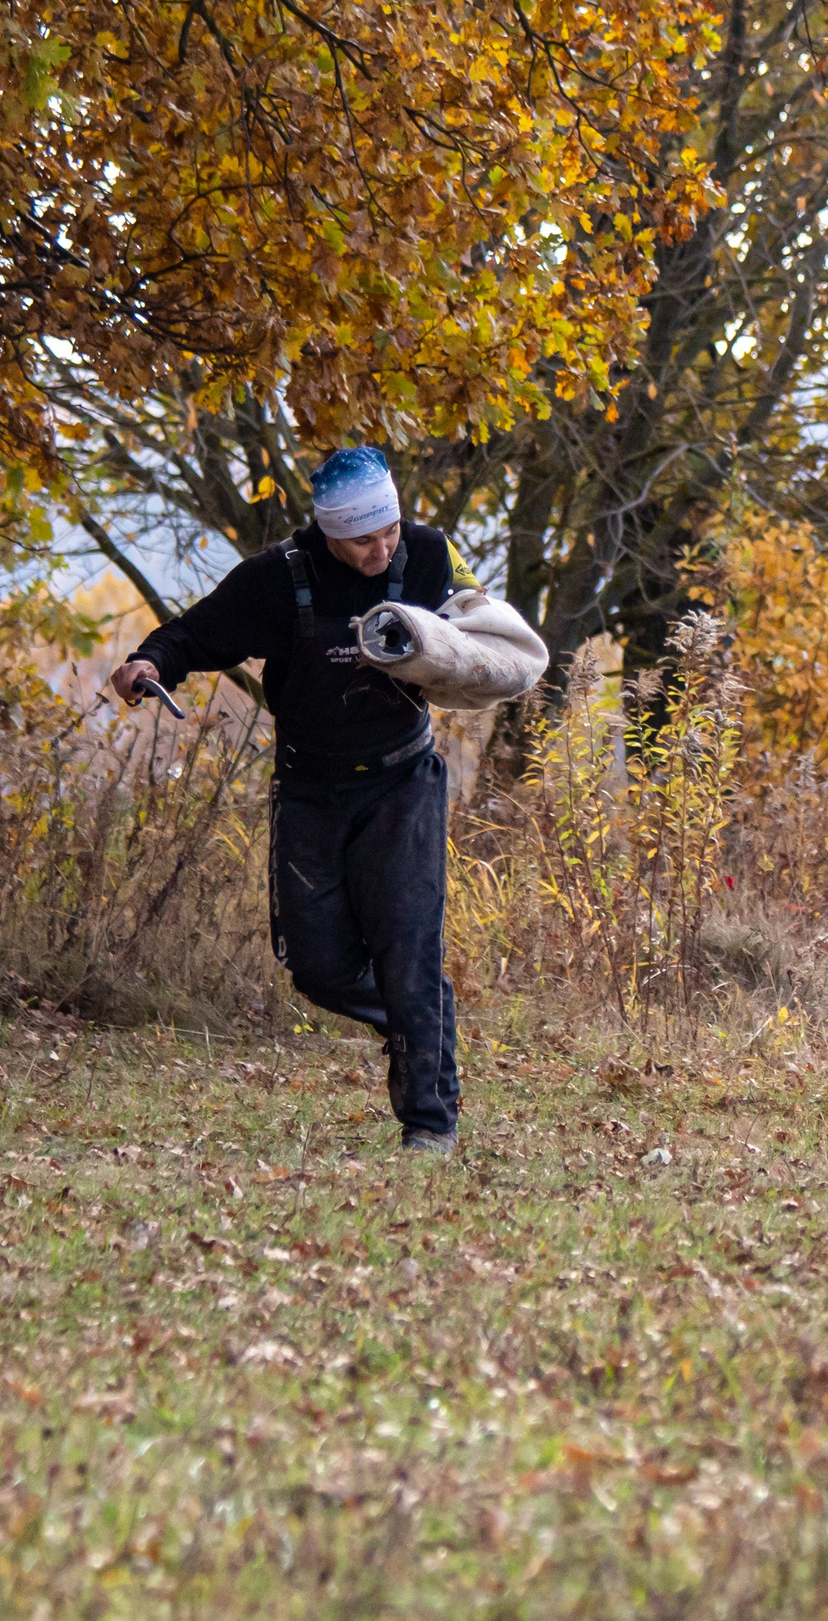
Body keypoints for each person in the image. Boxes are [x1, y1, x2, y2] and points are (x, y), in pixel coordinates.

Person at [110, 446, 493, 1155]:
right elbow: (195, 632)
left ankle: (429, 1123)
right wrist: (150, 661)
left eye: (389, 531)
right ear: (326, 531)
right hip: (311, 788)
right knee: (316, 966)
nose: (382, 549)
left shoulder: (432, 553)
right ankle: (418, 1021)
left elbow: (482, 626)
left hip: (402, 782)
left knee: (409, 949)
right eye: (361, 539)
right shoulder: (278, 578)